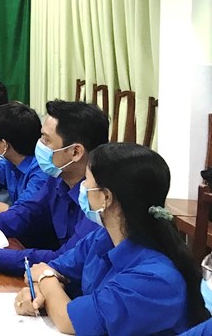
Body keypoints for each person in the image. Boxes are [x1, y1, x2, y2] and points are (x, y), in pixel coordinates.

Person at [15, 143, 209, 335]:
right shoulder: (102, 238)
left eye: (87, 181)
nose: (82, 187)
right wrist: (39, 293)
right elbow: (48, 270)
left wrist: (46, 280)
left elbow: (68, 321)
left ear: (105, 197)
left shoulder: (155, 279)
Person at [0, 100, 108, 275]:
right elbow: (23, 214)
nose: (39, 144)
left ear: (75, 152)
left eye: (46, 140)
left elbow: (63, 260)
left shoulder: (100, 201)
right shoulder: (57, 179)